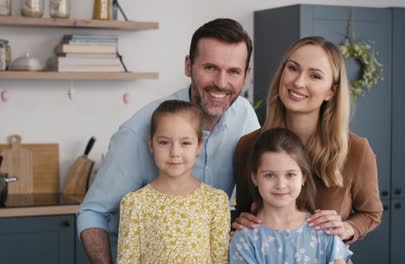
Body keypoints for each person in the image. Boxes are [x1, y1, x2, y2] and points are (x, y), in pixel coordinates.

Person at [77, 18, 260, 263]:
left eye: (233, 72)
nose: (221, 82)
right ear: (188, 66)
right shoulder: (137, 132)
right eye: (210, 68)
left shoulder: (245, 117)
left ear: (246, 75)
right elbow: (93, 212)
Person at [233, 36, 383, 246]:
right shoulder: (248, 146)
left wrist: (347, 228)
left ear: (331, 90)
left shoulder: (357, 150)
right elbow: (244, 211)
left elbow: (371, 213)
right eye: (293, 68)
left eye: (315, 75)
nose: (298, 82)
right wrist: (241, 220)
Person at [118, 100, 230, 263]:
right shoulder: (135, 204)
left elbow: (221, 260)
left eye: (185, 143)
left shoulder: (215, 201)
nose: (175, 152)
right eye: (164, 142)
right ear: (151, 144)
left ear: (199, 145)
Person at [229, 128, 352, 263]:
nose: (281, 185)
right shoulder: (244, 239)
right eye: (269, 175)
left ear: (303, 177)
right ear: (255, 178)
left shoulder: (324, 229)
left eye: (290, 174)